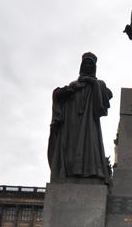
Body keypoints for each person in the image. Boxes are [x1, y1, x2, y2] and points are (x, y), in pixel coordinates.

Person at [47, 52, 112, 183]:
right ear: (81, 66)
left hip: (89, 123)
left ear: (94, 67)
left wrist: (94, 84)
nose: (87, 66)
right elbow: (59, 97)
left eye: (90, 64)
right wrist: (69, 89)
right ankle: (69, 172)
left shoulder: (98, 84)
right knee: (70, 149)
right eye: (85, 63)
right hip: (71, 123)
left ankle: (90, 172)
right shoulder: (74, 84)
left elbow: (105, 101)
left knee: (90, 148)